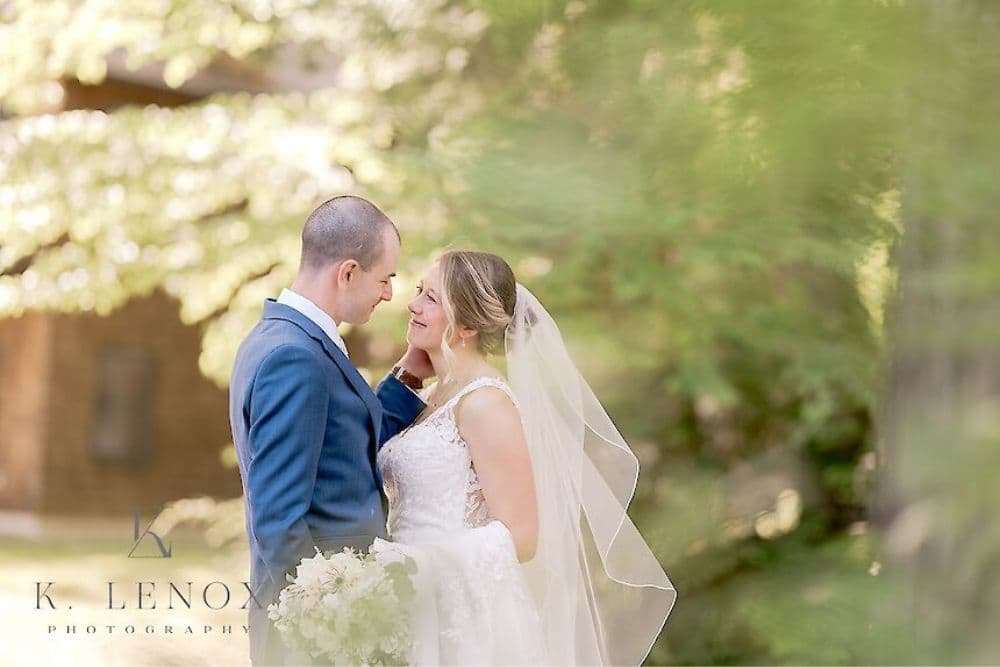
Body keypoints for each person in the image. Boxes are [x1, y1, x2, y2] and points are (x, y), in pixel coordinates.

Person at [373, 250, 677, 665]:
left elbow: (521, 535)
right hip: (414, 608)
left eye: (431, 298)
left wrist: (414, 565)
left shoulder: (486, 403)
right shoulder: (432, 397)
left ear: (466, 325)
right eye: (418, 291)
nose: (412, 304)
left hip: (460, 622)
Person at [228, 195, 433, 665]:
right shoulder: (295, 357)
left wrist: (407, 378)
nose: (389, 294)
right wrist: (340, 623)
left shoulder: (281, 338)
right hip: (317, 638)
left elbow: (343, 448)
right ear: (348, 273)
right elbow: (279, 522)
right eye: (385, 278)